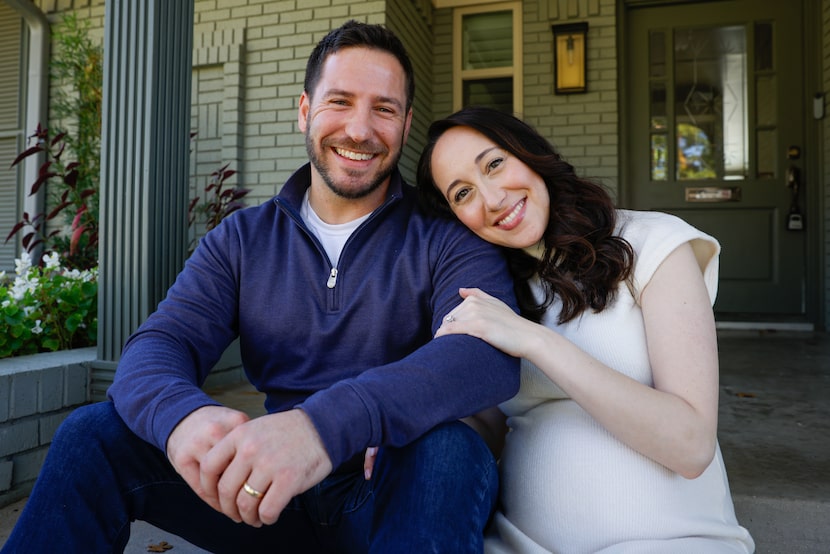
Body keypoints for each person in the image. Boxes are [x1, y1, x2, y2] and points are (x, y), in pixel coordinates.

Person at [2, 24, 520, 554]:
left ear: (406, 123)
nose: (360, 129)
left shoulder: (445, 235)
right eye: (339, 101)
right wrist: (183, 417)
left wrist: (325, 427)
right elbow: (161, 344)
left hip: (391, 490)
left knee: (448, 447)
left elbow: (484, 357)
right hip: (265, 497)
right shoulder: (242, 239)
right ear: (304, 110)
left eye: (384, 109)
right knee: (92, 435)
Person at [414, 106, 755, 553]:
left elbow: (690, 446)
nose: (493, 199)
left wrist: (535, 340)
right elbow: (489, 424)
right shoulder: (501, 292)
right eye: (463, 194)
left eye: (494, 163)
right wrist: (405, 425)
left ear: (529, 152)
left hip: (671, 542)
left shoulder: (654, 244)